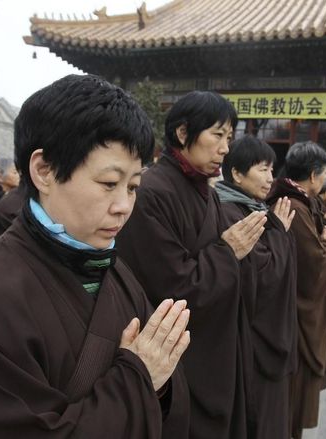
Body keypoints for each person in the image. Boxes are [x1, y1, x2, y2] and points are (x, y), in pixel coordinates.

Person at [0, 75, 190, 438]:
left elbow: (162, 383)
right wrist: (137, 379)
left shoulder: (115, 272)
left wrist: (157, 383)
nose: (123, 207)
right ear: (44, 170)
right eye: (109, 184)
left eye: (133, 187)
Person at [117, 91, 266, 439]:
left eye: (229, 137)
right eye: (217, 135)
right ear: (183, 134)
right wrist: (228, 252)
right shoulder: (152, 192)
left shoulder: (207, 193)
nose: (226, 148)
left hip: (217, 347)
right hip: (182, 358)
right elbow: (171, 287)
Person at [214, 135, 297, 438]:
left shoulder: (253, 208)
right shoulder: (230, 212)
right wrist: (278, 232)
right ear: (236, 173)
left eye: (271, 170)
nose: (269, 179)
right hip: (250, 337)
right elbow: (263, 276)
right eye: (262, 169)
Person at [266, 141, 326, 439]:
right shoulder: (293, 207)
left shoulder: (299, 203)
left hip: (295, 319)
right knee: (292, 400)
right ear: (313, 175)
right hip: (295, 323)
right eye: (325, 173)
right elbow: (312, 271)